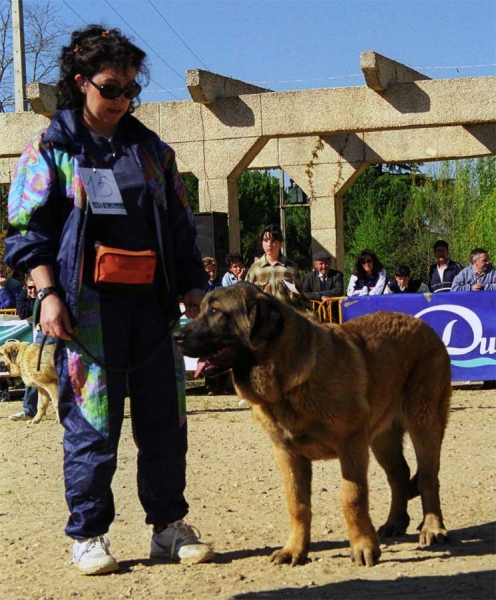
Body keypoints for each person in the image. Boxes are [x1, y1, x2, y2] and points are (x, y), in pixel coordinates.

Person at [5, 25, 213, 576]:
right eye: (110, 88)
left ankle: (168, 528)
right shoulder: (50, 150)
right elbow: (26, 232)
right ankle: (89, 533)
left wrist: (193, 286)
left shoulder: (154, 152)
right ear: (80, 83)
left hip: (154, 308)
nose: (122, 100)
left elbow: (181, 229)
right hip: (85, 310)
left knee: (165, 422)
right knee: (92, 425)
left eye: (129, 91)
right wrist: (47, 293)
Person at [245, 224, 310, 311]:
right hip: (264, 320)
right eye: (265, 240)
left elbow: (301, 298)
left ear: (280, 244)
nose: (269, 245)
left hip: (287, 319)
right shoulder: (255, 269)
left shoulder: (291, 268)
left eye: (273, 241)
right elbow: (247, 296)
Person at [8, 276, 41, 422]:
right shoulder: (24, 295)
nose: (32, 290)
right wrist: (36, 300)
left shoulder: (48, 294)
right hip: (37, 340)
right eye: (29, 288)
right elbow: (23, 313)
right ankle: (29, 410)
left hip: (56, 338)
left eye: (35, 287)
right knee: (31, 372)